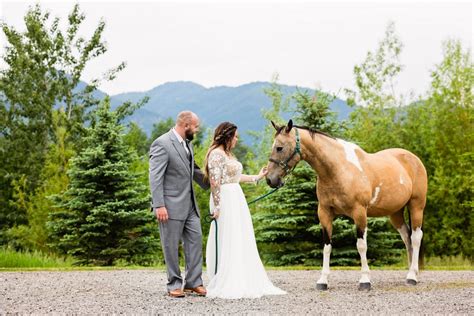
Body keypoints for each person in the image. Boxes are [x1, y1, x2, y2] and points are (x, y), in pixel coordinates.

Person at [204, 122, 287, 299]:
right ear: (227, 136)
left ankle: (241, 275)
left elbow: (234, 177)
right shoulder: (216, 155)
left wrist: (257, 177)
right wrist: (217, 207)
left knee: (239, 236)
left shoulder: (227, 155)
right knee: (228, 236)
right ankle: (225, 279)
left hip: (235, 198)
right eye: (235, 136)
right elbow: (215, 182)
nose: (237, 139)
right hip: (225, 199)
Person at [149, 111, 209, 298]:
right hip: (169, 205)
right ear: (186, 125)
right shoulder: (162, 143)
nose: (197, 130)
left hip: (190, 205)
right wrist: (159, 204)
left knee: (195, 240)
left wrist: (212, 181)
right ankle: (174, 284)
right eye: (196, 127)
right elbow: (155, 176)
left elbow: (193, 169)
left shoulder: (187, 145)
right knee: (171, 245)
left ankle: (193, 282)